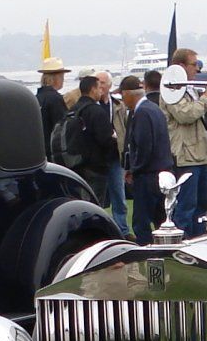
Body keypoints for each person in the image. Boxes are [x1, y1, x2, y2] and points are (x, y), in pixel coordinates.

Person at [162, 47, 207, 238]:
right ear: (180, 66)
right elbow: (185, 115)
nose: (197, 69)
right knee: (186, 206)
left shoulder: (189, 88)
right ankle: (183, 241)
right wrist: (206, 100)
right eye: (194, 64)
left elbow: (199, 114)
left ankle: (199, 239)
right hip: (186, 155)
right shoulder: (170, 88)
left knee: (202, 205)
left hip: (201, 153)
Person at [125, 68, 175, 244]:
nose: (123, 101)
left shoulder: (142, 113)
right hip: (163, 173)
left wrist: (134, 169)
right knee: (162, 220)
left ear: (128, 94)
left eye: (123, 96)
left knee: (141, 223)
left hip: (148, 175)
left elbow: (144, 146)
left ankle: (145, 254)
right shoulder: (154, 108)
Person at [66, 71, 119, 211]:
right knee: (95, 206)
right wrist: (115, 143)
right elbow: (105, 139)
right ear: (92, 89)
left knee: (79, 205)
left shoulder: (73, 110)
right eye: (98, 87)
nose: (101, 91)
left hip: (76, 163)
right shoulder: (96, 111)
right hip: (96, 166)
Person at [109, 74, 143, 236]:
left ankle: (122, 230)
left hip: (118, 156)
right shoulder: (121, 106)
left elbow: (127, 131)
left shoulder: (119, 106)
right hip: (102, 158)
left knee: (120, 195)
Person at [35, 58, 69, 154]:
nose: (63, 80)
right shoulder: (55, 99)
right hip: (52, 150)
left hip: (39, 148)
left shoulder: (36, 98)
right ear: (56, 78)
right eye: (62, 77)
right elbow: (61, 127)